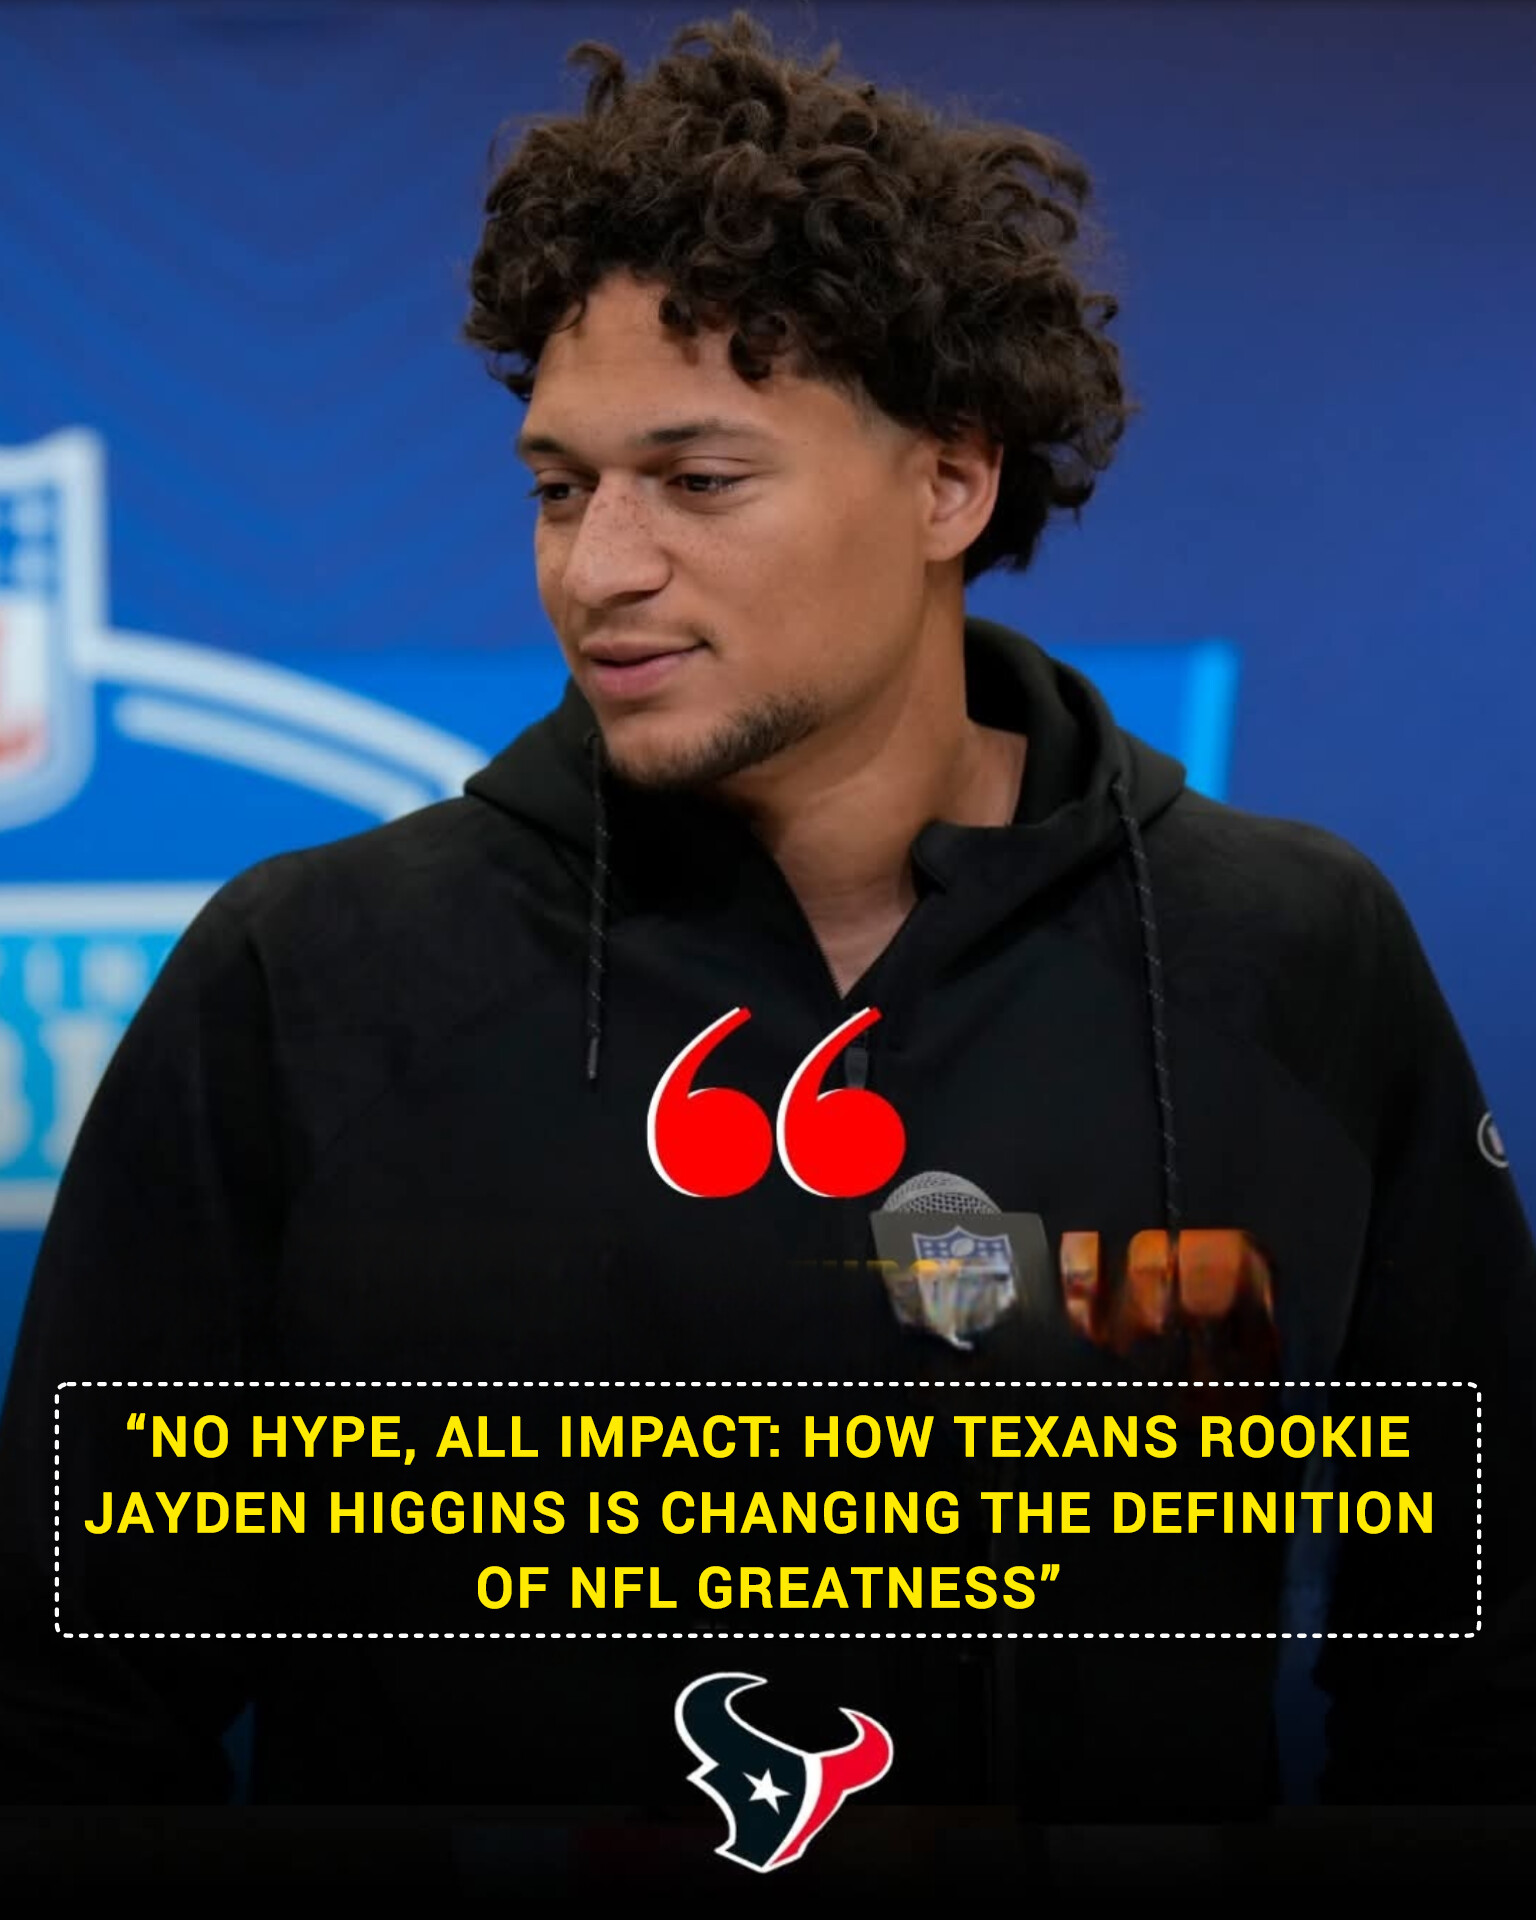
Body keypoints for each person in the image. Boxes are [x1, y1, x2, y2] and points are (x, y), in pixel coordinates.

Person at [2, 4, 1534, 1851]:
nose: (599, 567)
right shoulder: (311, 976)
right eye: (560, 488)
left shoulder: (1290, 951)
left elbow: (1476, 1664)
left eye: (700, 480)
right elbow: (71, 1700)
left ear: (950, 479)